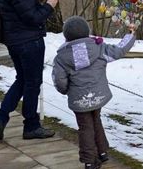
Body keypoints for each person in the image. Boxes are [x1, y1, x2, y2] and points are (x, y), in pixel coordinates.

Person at [0, 0, 58, 141]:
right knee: (32, 83)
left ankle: (0, 119)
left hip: (14, 42)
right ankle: (31, 126)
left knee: (22, 80)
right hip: (29, 42)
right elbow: (33, 17)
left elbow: (20, 3)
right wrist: (50, 7)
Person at [52, 16, 135, 169]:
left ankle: (89, 160)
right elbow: (119, 50)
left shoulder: (62, 57)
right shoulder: (99, 48)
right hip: (98, 96)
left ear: (66, 35)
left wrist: (64, 90)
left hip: (79, 99)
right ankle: (102, 152)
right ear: (87, 31)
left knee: (85, 127)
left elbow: (59, 80)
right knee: (96, 121)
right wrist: (130, 34)